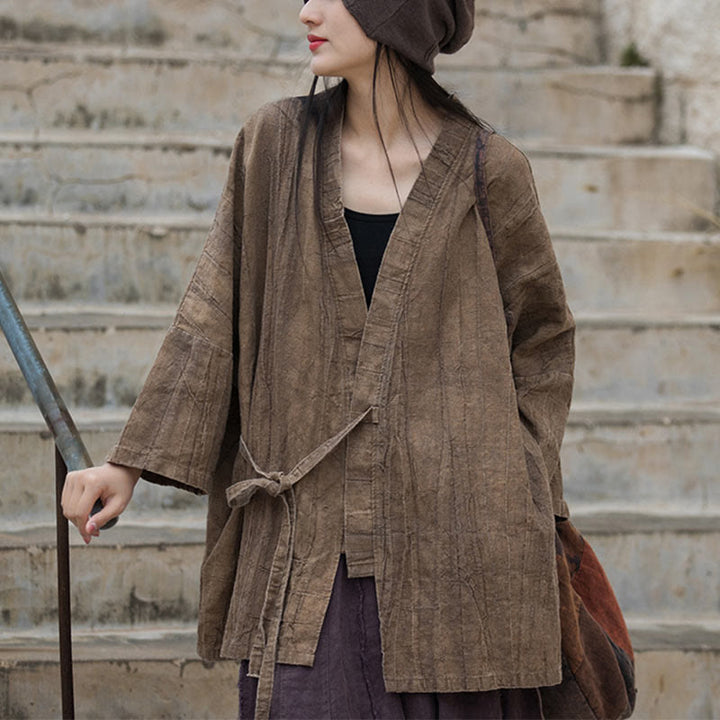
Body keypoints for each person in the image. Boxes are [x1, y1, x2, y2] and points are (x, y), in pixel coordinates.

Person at [62, 0, 576, 718]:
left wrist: (520, 475)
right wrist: (128, 464)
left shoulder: (492, 171)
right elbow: (212, 313)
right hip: (306, 544)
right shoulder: (274, 145)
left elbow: (544, 339)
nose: (307, 10)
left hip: (461, 558)